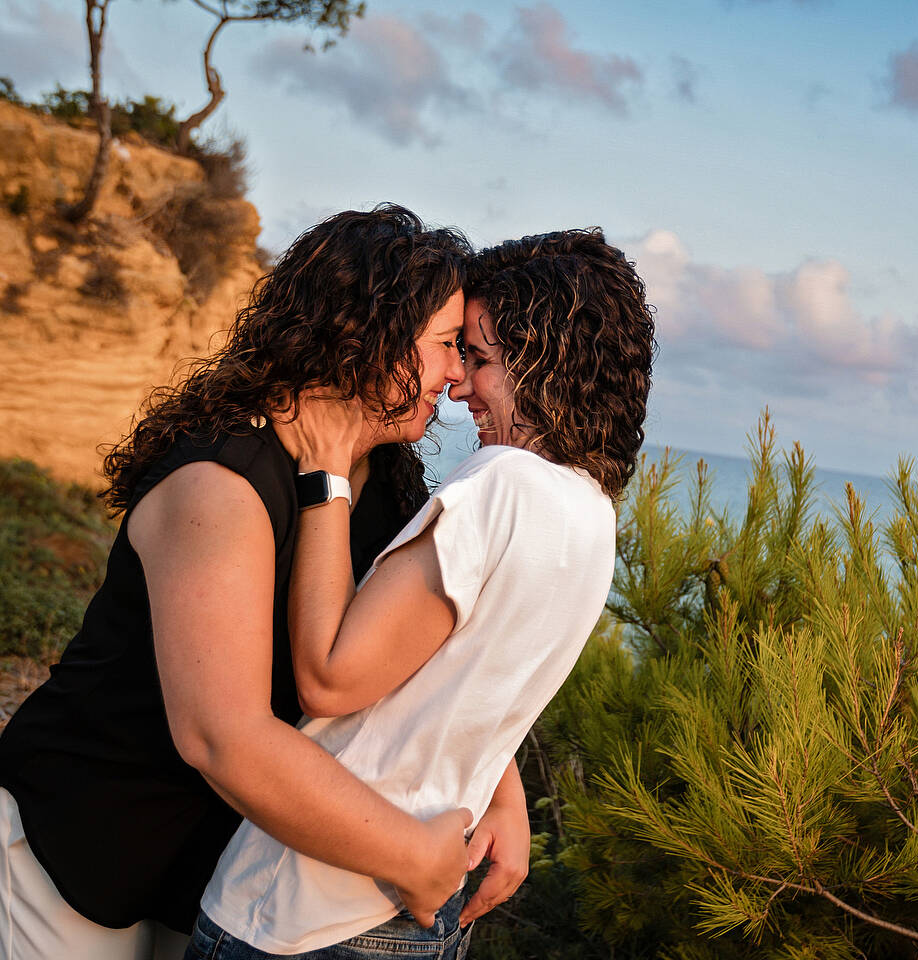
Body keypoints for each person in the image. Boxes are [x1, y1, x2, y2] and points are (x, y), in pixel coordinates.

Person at [0, 205, 532, 960]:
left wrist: (504, 793)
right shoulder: (222, 483)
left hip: (221, 855)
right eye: (443, 346)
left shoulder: (386, 484)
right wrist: (411, 857)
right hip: (86, 829)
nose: (457, 374)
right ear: (366, 336)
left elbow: (416, 656)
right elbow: (222, 736)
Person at [187, 228, 656, 959]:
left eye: (480, 358)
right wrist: (507, 793)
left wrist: (326, 474)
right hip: (425, 914)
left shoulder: (500, 483)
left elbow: (329, 677)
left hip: (307, 908)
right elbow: (467, 677)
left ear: (545, 362)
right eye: (457, 355)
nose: (461, 384)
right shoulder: (594, 515)